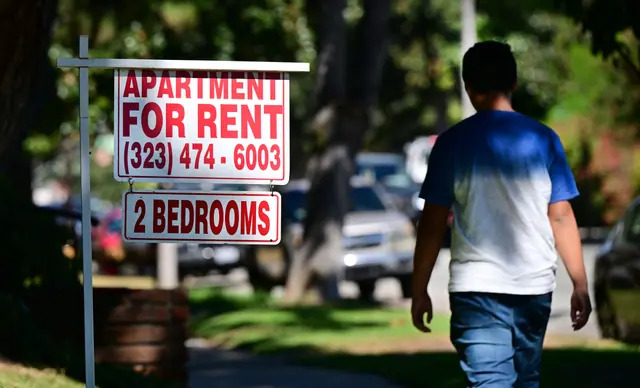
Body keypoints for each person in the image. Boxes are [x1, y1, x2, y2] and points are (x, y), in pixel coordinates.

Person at [410, 40, 592, 387]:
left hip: (475, 289)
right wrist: (580, 283)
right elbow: (562, 216)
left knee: (490, 381)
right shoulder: (545, 140)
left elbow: (432, 224)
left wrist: (419, 289)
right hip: (534, 287)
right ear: (515, 83)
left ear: (468, 88)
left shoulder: (451, 144)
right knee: (525, 381)